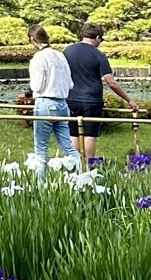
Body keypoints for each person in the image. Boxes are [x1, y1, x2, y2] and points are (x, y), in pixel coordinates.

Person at [64, 23, 140, 165]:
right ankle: (89, 164)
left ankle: (72, 164)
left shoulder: (67, 51)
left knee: (73, 132)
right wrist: (129, 100)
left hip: (71, 97)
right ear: (98, 37)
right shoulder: (98, 55)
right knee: (90, 134)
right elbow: (111, 82)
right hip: (91, 99)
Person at [26, 28, 82, 177]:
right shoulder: (60, 56)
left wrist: (31, 90)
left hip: (45, 103)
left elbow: (37, 85)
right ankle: (81, 175)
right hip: (63, 105)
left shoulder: (39, 58)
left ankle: (40, 186)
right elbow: (70, 83)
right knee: (68, 147)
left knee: (41, 149)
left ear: (32, 39)